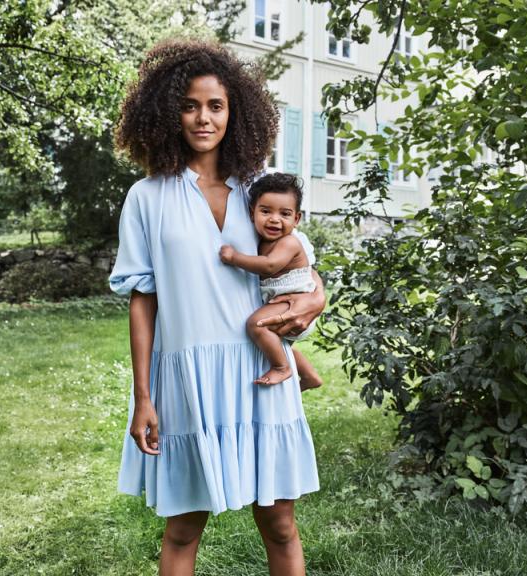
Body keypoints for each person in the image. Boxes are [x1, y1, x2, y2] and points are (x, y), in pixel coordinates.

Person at [109, 39, 325, 576]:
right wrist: (143, 398)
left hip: (259, 372)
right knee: (182, 529)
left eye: (216, 105)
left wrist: (317, 297)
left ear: (236, 112)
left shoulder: (261, 188)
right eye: (189, 104)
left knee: (279, 524)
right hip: (186, 380)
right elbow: (143, 299)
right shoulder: (146, 197)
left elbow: (301, 267)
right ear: (166, 111)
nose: (203, 117)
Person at [219, 173, 325, 390]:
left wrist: (234, 257)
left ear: (296, 220)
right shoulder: (261, 240)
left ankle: (281, 368)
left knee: (256, 326)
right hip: (282, 299)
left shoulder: (289, 242)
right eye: (266, 211)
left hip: (294, 301)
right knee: (278, 343)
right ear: (252, 213)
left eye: (284, 214)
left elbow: (269, 265)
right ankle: (309, 376)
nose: (274, 219)